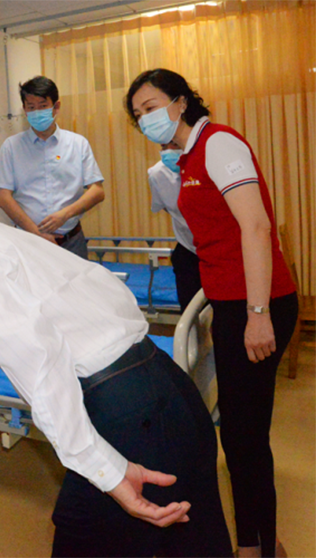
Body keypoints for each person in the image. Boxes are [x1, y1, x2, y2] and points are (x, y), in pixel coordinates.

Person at [0, 169, 232, 558]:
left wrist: (104, 468)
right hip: (167, 384)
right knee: (196, 540)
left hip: (128, 412)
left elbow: (41, 362)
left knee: (81, 535)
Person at [126, 68, 298, 558]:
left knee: (245, 438)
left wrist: (257, 314)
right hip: (230, 303)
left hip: (255, 304)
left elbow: (256, 228)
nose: (146, 118)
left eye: (152, 106)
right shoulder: (186, 158)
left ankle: (257, 548)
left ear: (181, 102)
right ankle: (259, 541)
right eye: (138, 114)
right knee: (241, 436)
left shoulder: (218, 144)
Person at [0, 76, 105, 259]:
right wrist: (37, 233)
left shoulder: (77, 143)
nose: (37, 112)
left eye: (43, 106)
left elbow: (97, 191)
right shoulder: (11, 147)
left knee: (78, 279)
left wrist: (64, 215)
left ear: (56, 107)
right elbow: (4, 198)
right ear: (24, 109)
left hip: (71, 240)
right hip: (28, 240)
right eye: (31, 107)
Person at [147, 140, 202, 311]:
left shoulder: (207, 164)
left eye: (175, 145)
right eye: (164, 147)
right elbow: (165, 206)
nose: (169, 151)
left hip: (219, 250)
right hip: (188, 250)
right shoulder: (157, 174)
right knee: (190, 312)